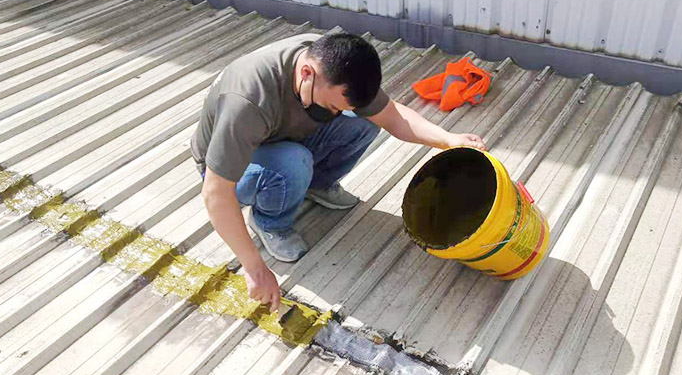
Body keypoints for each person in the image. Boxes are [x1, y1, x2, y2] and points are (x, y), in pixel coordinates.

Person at [192, 32, 486, 311]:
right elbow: (216, 193)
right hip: (229, 168)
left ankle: (314, 185)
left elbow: (392, 116)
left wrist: (447, 139)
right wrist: (254, 267)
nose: (334, 112)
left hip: (280, 137)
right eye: (331, 105)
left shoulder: (334, 67)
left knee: (366, 121)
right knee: (294, 162)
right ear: (306, 73)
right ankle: (269, 221)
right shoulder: (249, 99)